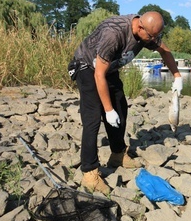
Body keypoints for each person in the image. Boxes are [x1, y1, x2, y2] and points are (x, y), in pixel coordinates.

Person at [68, 11, 183, 195]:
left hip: (108, 69)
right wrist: (107, 109)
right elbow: (99, 75)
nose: (153, 41)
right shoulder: (114, 34)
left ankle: (118, 154)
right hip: (87, 67)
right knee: (93, 117)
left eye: (156, 36)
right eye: (151, 36)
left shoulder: (147, 32)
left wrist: (177, 76)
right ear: (139, 27)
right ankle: (89, 172)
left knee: (120, 108)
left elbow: (165, 50)